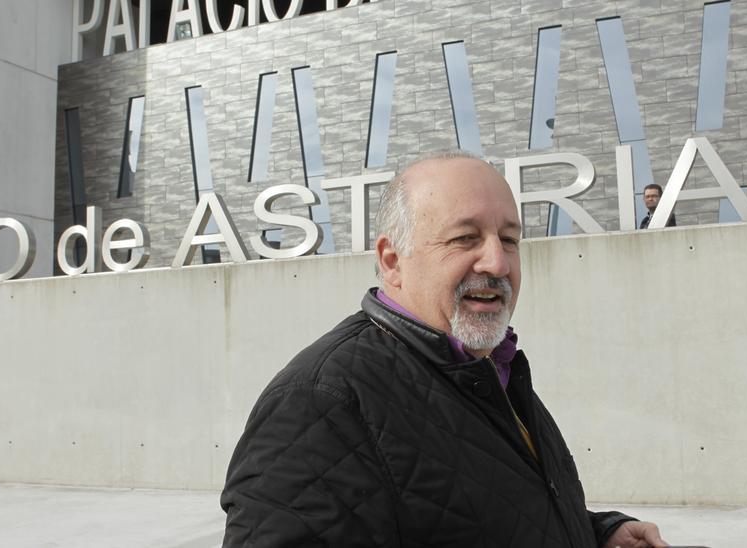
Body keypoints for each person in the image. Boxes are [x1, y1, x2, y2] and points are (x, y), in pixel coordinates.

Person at [220, 151, 668, 548]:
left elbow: (481, 514)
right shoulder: (322, 402)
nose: (497, 262)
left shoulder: (489, 365)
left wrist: (596, 532)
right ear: (393, 262)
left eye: (509, 239)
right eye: (465, 238)